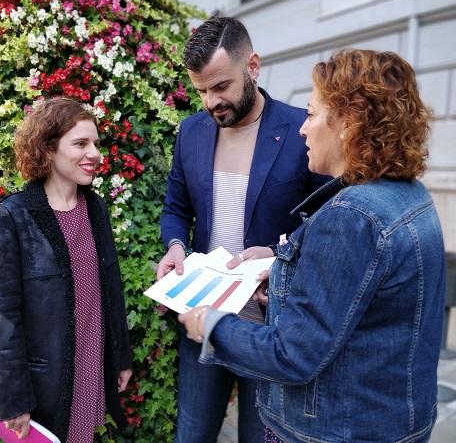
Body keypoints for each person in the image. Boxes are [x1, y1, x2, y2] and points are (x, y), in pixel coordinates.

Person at [179, 49, 445, 442]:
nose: (302, 129)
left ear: (348, 123)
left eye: (311, 113)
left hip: (335, 429)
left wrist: (209, 324)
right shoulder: (407, 195)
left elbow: (293, 354)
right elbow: (362, 301)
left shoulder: (353, 216)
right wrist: (282, 267)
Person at [157, 16, 328, 443]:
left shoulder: (301, 129)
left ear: (252, 66)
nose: (210, 102)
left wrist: (278, 255)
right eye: (200, 91)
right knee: (192, 434)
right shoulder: (191, 131)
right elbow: (175, 208)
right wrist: (175, 245)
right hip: (201, 317)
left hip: (270, 327)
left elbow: (327, 221)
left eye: (220, 87)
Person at [0, 97, 132, 443]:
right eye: (80, 143)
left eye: (95, 143)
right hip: (44, 380)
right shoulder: (13, 217)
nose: (94, 153)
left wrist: (120, 358)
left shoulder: (94, 208)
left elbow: (111, 291)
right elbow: (0, 316)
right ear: (47, 150)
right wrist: (14, 397)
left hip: (90, 361)